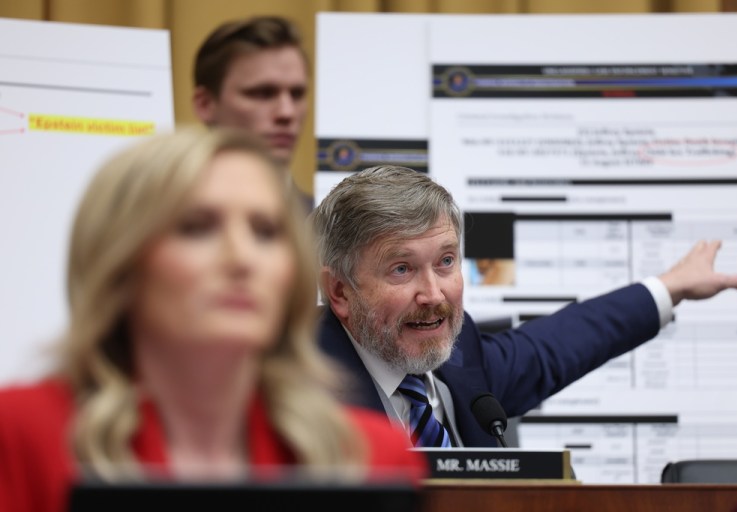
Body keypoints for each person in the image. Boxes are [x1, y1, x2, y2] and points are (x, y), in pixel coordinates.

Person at [0, 130, 426, 512]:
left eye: (265, 231)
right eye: (197, 227)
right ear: (120, 262)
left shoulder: (373, 458)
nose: (242, 259)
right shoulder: (21, 436)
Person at [310, 165, 737, 448]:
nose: (434, 294)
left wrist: (669, 287)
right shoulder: (292, 379)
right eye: (402, 270)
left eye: (445, 262)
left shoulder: (461, 356)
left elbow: (555, 347)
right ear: (341, 292)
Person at [191, 15, 313, 212]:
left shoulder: (331, 229)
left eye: (297, 94)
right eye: (263, 93)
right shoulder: (162, 219)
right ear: (205, 104)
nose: (287, 112)